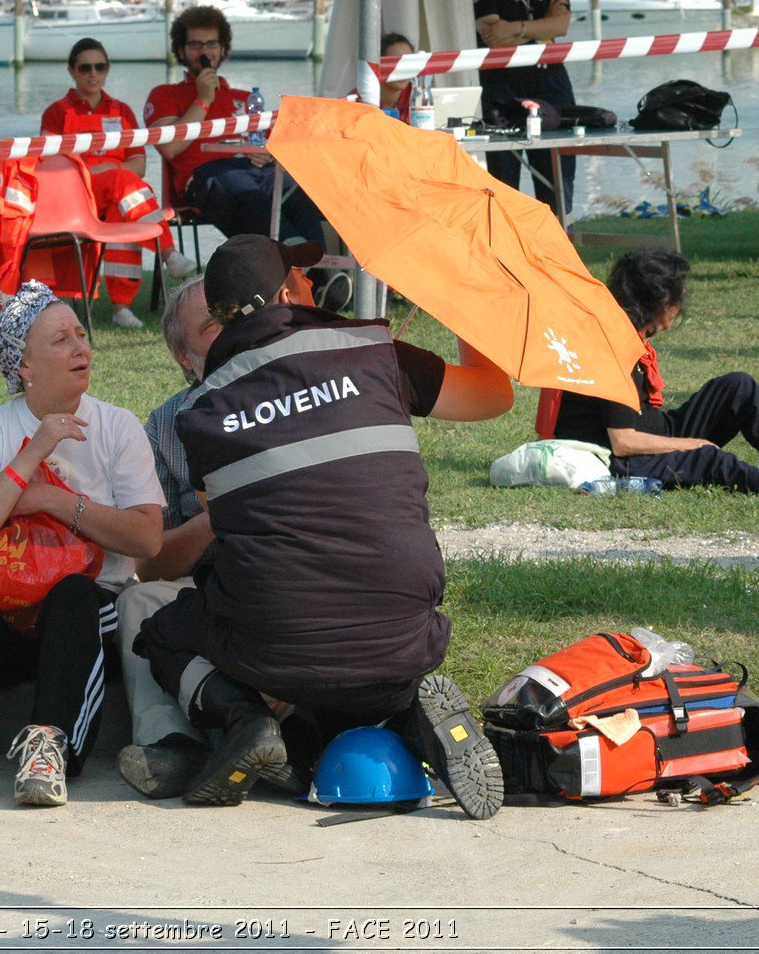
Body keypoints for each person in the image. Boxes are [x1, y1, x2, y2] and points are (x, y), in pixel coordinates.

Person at [132, 235, 515, 816]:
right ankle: (407, 708)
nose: (314, 284)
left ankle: (247, 720)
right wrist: (458, 296)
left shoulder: (199, 413)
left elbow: (232, 524)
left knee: (165, 627)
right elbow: (494, 396)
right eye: (303, 276)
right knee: (343, 630)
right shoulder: (374, 351)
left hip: (278, 651)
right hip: (407, 636)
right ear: (287, 291)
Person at [0, 281, 164, 808]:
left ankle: (48, 747)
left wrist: (51, 501)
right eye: (60, 340)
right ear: (24, 367)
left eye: (80, 334)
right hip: (3, 611)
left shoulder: (117, 427)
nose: (81, 348)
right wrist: (33, 454)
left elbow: (147, 537)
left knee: (76, 593)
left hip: (85, 614)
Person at [550, 249, 759, 496]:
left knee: (737, 386)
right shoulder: (610, 345)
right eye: (677, 297)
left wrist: (680, 439)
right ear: (659, 300)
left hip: (651, 430)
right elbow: (623, 442)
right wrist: (689, 443)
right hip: (616, 461)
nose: (681, 304)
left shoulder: (626, 333)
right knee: (705, 457)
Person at [113, 276, 220, 797]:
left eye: (237, 317)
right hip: (203, 586)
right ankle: (172, 746)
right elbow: (150, 562)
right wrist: (215, 517)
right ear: (185, 355)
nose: (232, 333)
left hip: (284, 577)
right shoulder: (164, 426)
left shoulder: (296, 394)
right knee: (138, 600)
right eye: (213, 325)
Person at [40, 38, 193, 329]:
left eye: (100, 67)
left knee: (124, 207)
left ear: (108, 69)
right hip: (78, 196)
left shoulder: (121, 110)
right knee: (129, 184)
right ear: (71, 70)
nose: (93, 74)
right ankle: (167, 252)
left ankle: (121, 307)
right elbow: (53, 167)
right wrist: (106, 171)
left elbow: (140, 164)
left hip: (121, 196)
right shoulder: (57, 112)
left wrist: (114, 170)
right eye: (85, 68)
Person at [145, 5, 326, 243]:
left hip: (256, 171)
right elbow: (170, 148)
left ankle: (322, 271)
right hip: (207, 178)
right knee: (243, 190)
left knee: (299, 189)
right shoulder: (165, 94)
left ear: (222, 49)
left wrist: (268, 155)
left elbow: (273, 146)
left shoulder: (245, 98)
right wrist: (203, 99)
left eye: (211, 44)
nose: (205, 51)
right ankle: (292, 261)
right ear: (181, 50)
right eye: (195, 45)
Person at [471, 0, 577, 217]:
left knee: (557, 170)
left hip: (550, 78)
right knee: (503, 176)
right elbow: (492, 35)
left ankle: (558, 241)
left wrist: (516, 28)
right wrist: (539, 28)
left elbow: (562, 24)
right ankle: (506, 252)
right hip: (501, 81)